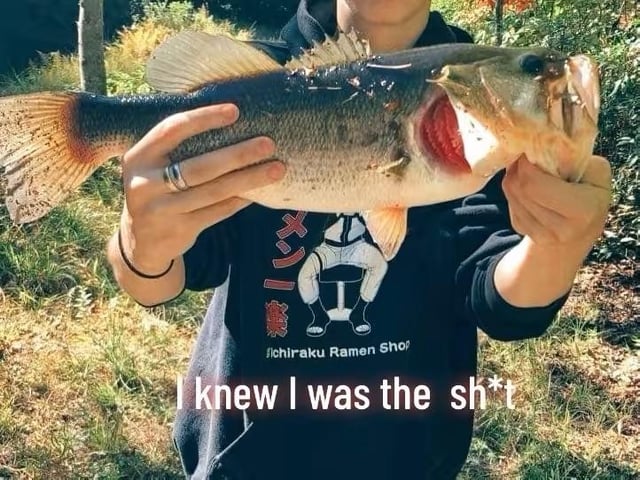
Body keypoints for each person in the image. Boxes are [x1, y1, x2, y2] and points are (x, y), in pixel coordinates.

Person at [106, 0, 612, 478]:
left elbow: (499, 300)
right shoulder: (253, 83)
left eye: (532, 68)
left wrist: (557, 245)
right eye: (532, 69)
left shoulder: (475, 111)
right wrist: (139, 240)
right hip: (243, 458)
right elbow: (164, 279)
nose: (544, 78)